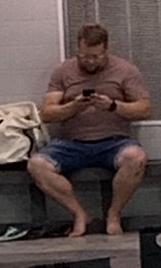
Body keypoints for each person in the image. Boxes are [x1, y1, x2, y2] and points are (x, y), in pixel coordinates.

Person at [28, 23, 152, 237]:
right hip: (72, 144)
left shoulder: (125, 70)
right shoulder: (63, 72)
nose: (90, 61)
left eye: (95, 56)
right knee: (37, 165)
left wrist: (113, 105)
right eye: (84, 56)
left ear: (106, 50)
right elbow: (47, 113)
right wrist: (73, 107)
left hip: (114, 142)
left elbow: (145, 108)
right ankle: (79, 214)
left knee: (136, 158)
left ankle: (113, 214)